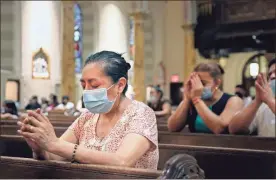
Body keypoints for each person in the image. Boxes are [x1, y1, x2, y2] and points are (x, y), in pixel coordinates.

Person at [17, 51, 159, 169]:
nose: (87, 91)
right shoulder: (87, 117)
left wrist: (55, 144)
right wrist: (40, 147)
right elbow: (55, 155)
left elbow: (122, 161)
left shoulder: (141, 114)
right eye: (84, 85)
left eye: (94, 85)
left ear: (120, 85)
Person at [168, 62, 243, 134]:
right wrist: (186, 99)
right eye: (195, 83)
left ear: (217, 83)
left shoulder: (233, 101)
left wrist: (197, 100)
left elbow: (219, 129)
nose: (198, 87)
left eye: (203, 83)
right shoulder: (192, 100)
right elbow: (172, 127)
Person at [229, 58, 276, 137]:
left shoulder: (269, 101)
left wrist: (271, 101)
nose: (272, 77)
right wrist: (257, 101)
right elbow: (234, 129)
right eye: (270, 74)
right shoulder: (264, 106)